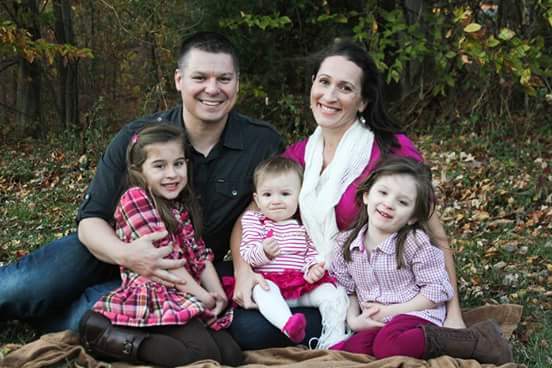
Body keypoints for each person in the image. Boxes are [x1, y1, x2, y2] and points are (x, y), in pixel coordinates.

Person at [0, 32, 283, 350]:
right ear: (179, 80)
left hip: (183, 269)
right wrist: (128, 255)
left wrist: (242, 271)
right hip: (104, 251)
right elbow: (91, 220)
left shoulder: (262, 143)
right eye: (200, 77)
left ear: (237, 83)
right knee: (21, 286)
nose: (212, 89)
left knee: (85, 312)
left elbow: (256, 216)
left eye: (224, 78)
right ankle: (38, 300)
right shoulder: (138, 136)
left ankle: (63, 314)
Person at [80, 124, 242, 366]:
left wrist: (216, 293)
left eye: (178, 163)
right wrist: (202, 296)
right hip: (155, 293)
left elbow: (199, 256)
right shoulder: (135, 199)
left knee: (231, 356)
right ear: (139, 170)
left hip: (184, 293)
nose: (172, 174)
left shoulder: (180, 207)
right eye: (159, 166)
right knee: (201, 355)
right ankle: (104, 335)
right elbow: (165, 261)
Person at [328, 156, 512, 364]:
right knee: (351, 349)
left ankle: (479, 339)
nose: (389, 204)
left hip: (418, 314)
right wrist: (354, 320)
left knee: (389, 345)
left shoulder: (414, 242)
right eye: (383, 192)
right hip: (380, 321)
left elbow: (435, 292)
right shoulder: (345, 243)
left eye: (402, 202)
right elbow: (348, 289)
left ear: (413, 217)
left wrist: (390, 311)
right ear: (366, 195)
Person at [233, 156, 349, 348]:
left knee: (333, 292)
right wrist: (264, 252)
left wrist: (312, 268)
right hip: (270, 283)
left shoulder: (304, 226)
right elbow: (246, 253)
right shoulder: (254, 221)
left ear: (300, 195)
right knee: (263, 290)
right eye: (267, 195)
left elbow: (311, 252)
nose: (276, 201)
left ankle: (334, 336)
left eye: (285, 194)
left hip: (299, 285)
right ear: (257, 199)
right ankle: (288, 325)